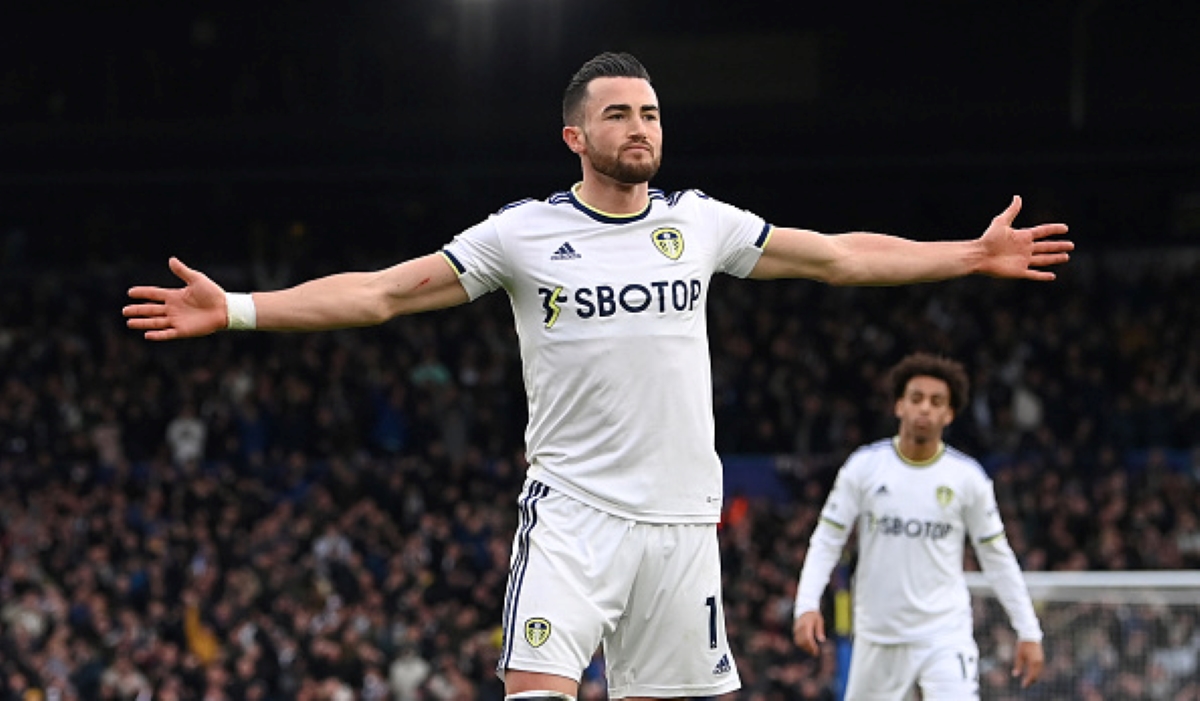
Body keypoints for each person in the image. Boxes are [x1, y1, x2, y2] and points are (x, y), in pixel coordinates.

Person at [124, 52, 1070, 701]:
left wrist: (967, 254)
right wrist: (240, 306)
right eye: (617, 113)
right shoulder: (521, 234)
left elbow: (838, 258)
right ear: (574, 135)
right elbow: (380, 294)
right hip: (573, 518)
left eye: (650, 112)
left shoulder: (699, 222)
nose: (639, 126)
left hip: (681, 528)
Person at [792, 352, 1045, 700]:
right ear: (899, 406)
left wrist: (1028, 631)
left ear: (949, 414)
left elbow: (997, 557)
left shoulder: (967, 478)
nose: (925, 408)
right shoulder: (864, 467)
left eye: (936, 401)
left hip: (944, 634)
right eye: (916, 399)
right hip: (878, 636)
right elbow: (827, 540)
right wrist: (806, 604)